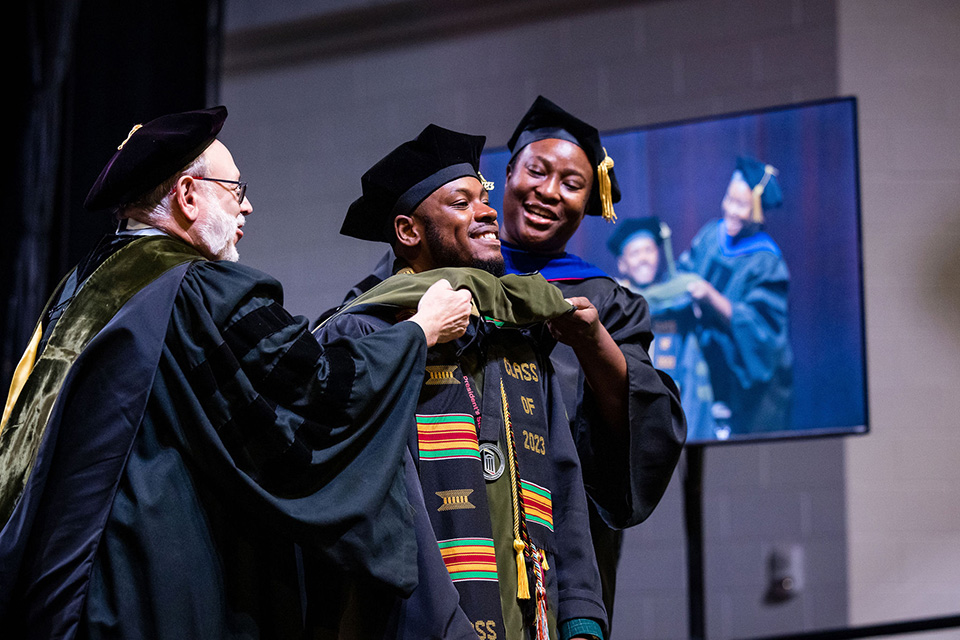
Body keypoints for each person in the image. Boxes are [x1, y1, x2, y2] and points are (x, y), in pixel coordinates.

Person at [0, 106, 473, 639]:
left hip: (69, 584)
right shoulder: (198, 288)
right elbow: (314, 392)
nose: (249, 205)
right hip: (150, 576)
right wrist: (418, 332)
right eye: (234, 188)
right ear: (187, 195)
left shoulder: (79, 288)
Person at [316, 124, 608, 640]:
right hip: (423, 623)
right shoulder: (371, 333)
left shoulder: (513, 331)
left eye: (484, 198)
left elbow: (563, 477)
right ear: (409, 232)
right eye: (461, 202)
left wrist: (581, 612)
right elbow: (383, 510)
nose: (489, 212)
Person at [498, 96, 686, 625]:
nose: (549, 193)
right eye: (537, 171)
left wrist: (592, 340)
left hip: (560, 534)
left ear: (589, 203)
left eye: (573, 184)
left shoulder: (606, 302)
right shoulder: (447, 272)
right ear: (509, 172)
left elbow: (644, 422)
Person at [677, 156, 793, 435]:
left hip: (751, 386)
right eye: (729, 199)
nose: (731, 211)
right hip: (708, 366)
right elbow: (683, 271)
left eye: (741, 205)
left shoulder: (767, 262)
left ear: (758, 210)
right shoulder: (710, 235)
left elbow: (761, 330)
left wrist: (710, 297)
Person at [607, 217, 716, 441]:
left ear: (659, 253)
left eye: (648, 250)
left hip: (681, 400)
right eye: (635, 253)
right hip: (633, 406)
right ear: (622, 264)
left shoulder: (681, 294)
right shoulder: (614, 302)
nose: (643, 258)